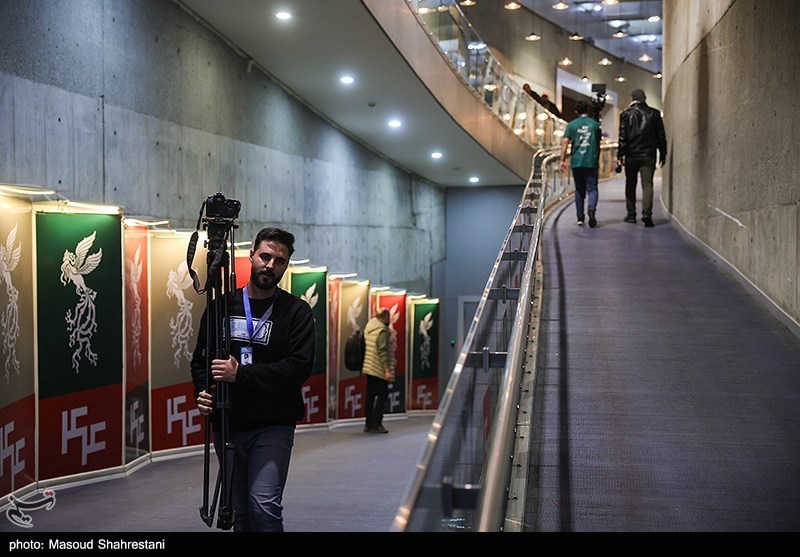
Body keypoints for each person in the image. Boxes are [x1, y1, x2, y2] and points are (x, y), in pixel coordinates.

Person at [191, 226, 315, 532]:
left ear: (286, 266)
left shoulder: (296, 312)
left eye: (279, 261)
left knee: (263, 505)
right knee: (240, 513)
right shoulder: (221, 306)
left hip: (273, 425)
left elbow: (298, 367)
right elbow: (201, 360)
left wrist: (241, 374)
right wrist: (203, 390)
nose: (270, 265)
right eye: (265, 256)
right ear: (251, 255)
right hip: (228, 422)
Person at [616, 88, 667, 227]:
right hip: (648, 155)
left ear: (633, 98)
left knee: (630, 184)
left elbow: (622, 137)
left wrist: (620, 155)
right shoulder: (654, 114)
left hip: (631, 155)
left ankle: (631, 215)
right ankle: (647, 214)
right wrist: (663, 153)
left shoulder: (626, 114)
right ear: (644, 98)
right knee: (647, 184)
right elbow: (661, 136)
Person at [560, 100, 602, 227]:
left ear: (576, 111)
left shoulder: (572, 125)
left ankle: (580, 217)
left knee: (579, 190)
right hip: (591, 161)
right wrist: (596, 157)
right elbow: (598, 144)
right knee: (592, 188)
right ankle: (591, 208)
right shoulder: (595, 125)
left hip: (577, 161)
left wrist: (562, 160)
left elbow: (565, 143)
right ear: (587, 110)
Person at [362, 307, 394, 434]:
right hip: (378, 368)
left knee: (370, 396)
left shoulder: (369, 327)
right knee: (382, 396)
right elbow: (382, 352)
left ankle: (368, 424)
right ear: (385, 316)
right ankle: (376, 423)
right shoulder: (382, 331)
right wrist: (387, 370)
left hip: (369, 367)